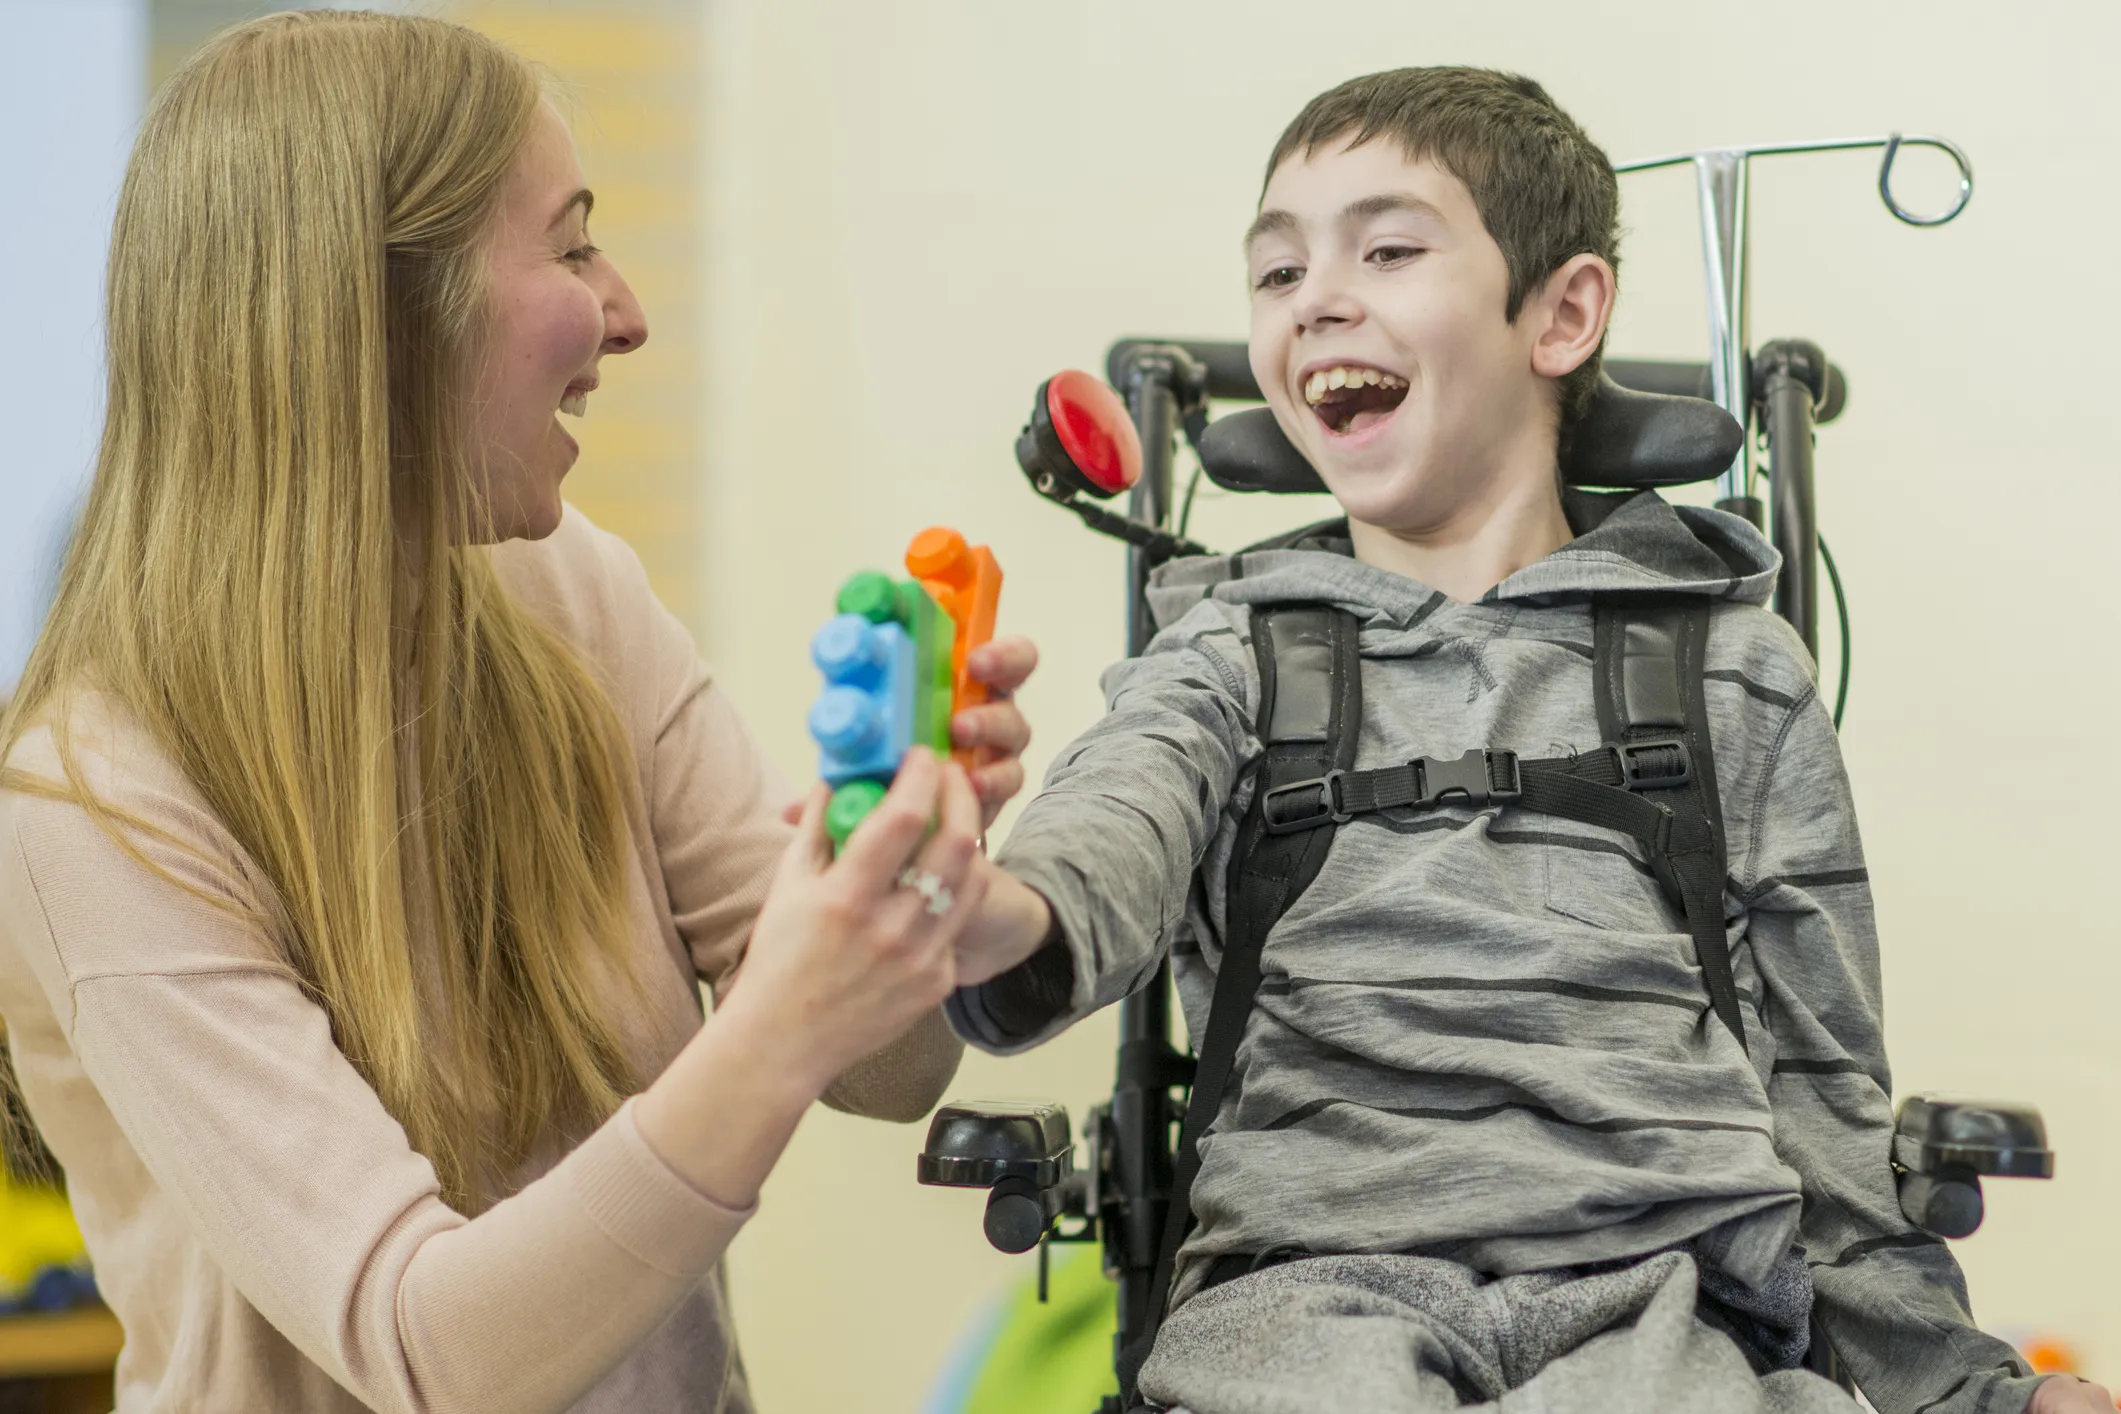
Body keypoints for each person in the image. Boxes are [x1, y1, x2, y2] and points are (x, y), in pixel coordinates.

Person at [943, 68, 2109, 1414]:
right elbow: (1102, 839)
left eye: (1385, 248)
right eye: (1276, 270)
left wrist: (1976, 1392)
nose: (1314, 295)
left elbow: (1830, 1126)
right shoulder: (1229, 653)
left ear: (1563, 311)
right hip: (1306, 1302)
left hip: (1668, 1299)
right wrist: (984, 911)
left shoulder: (1732, 671)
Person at [0, 12, 1036, 1412]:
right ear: (375, 313)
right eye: (568, 243)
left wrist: (909, 865)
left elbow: (888, 1070)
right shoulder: (90, 804)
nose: (627, 309)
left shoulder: (573, 589)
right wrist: (778, 1020)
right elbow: (434, 1353)